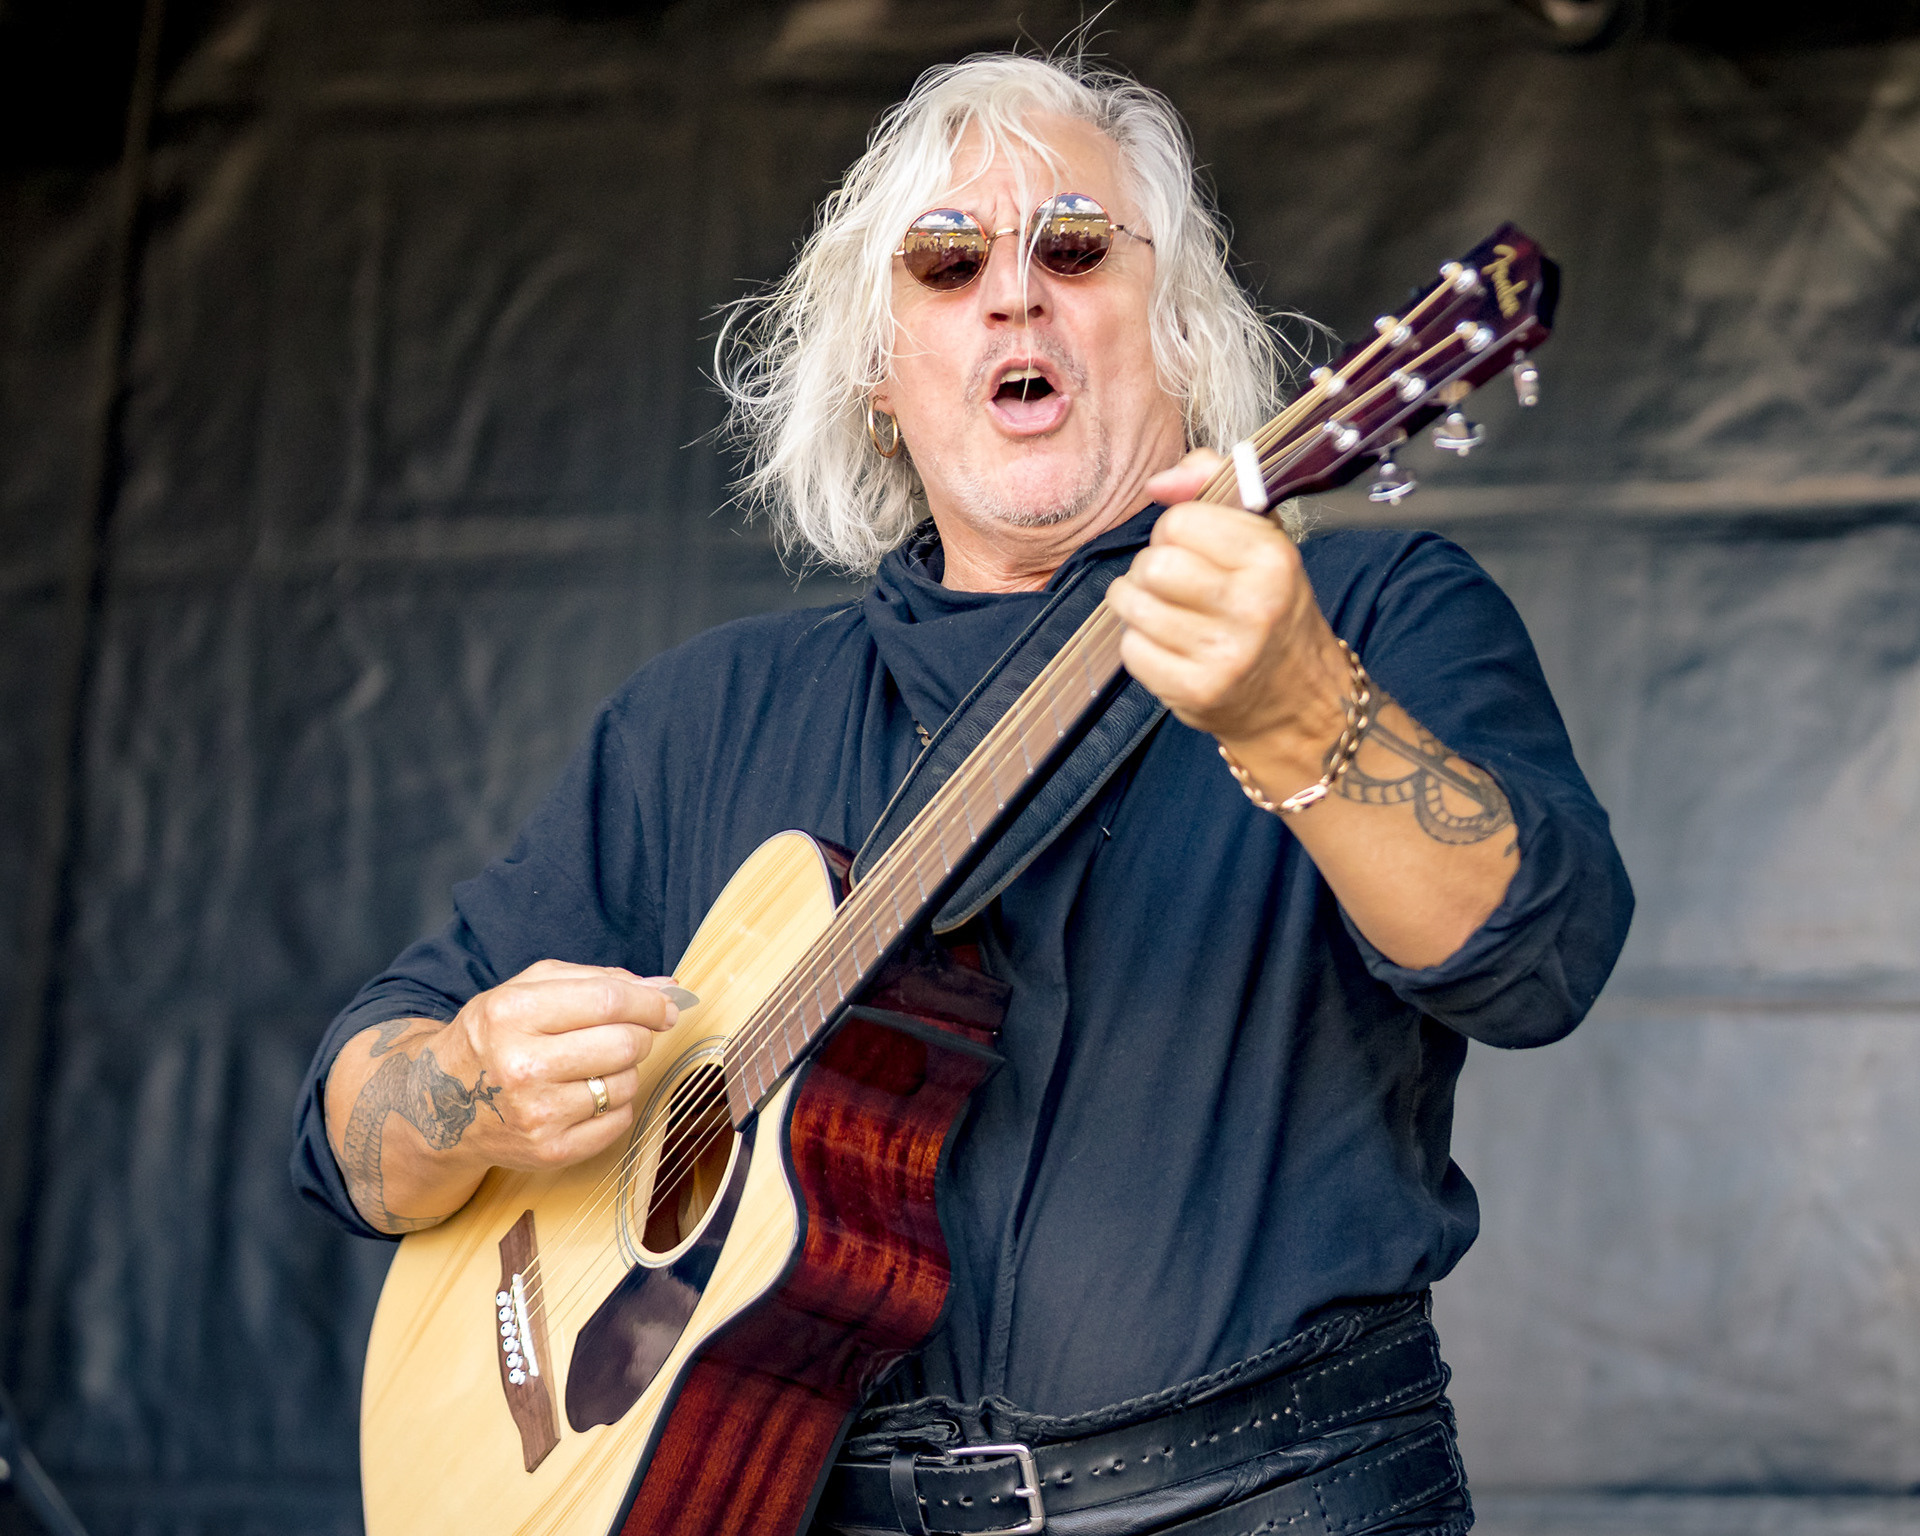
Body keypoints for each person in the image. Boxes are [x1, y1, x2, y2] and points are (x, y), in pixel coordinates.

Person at [292, 52, 1631, 1536]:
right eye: (945, 263)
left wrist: (1305, 716)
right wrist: (471, 1091)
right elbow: (350, 1124)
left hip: (1271, 1496)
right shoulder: (705, 719)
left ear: (1179, 331)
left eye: (1073, 246)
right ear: (880, 371)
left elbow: (1543, 959)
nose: (1012, 293)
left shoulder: (1365, 616)